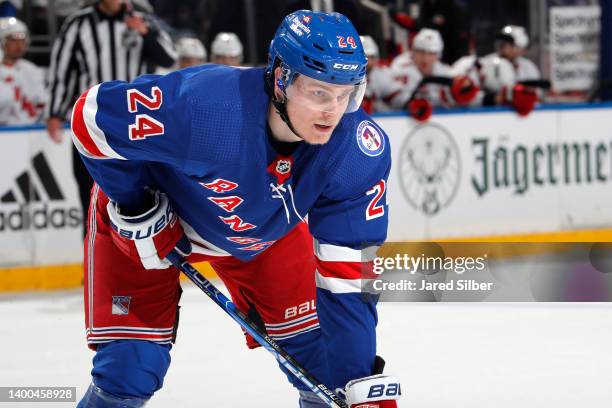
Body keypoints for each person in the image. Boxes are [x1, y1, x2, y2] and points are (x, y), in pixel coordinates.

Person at [71, 9, 401, 408]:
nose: (333, 111)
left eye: (347, 93)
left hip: (264, 233)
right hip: (147, 226)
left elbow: (348, 277)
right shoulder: (204, 108)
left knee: (328, 374)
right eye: (319, 92)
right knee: (129, 370)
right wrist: (136, 204)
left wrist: (358, 384)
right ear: (281, 79)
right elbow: (91, 117)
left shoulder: (356, 151)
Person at [45, 0, 177, 237]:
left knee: (145, 197)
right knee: (90, 197)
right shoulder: (78, 24)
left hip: (135, 124)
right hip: (91, 121)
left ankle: (143, 262)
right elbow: (62, 70)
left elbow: (169, 58)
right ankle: (94, 266)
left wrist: (145, 33)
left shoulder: (144, 19)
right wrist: (55, 112)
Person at [390, 28, 478, 120]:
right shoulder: (400, 67)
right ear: (413, 51)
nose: (425, 58)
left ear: (438, 55)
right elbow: (395, 102)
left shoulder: (444, 71)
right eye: (421, 51)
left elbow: (465, 100)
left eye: (431, 53)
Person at [451, 25, 539, 116]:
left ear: (521, 48)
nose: (502, 45)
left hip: (515, 120)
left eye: (508, 42)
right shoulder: (484, 63)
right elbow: (465, 96)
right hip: (485, 116)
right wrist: (493, 99)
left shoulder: (529, 68)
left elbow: (537, 97)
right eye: (501, 41)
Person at [0, 17, 47, 125]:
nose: (19, 45)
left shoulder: (31, 70)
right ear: (2, 42)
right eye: (13, 40)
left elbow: (42, 101)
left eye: (22, 40)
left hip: (30, 129)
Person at [360, 35, 401, 114]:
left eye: (371, 57)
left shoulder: (383, 73)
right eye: (364, 57)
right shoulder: (342, 74)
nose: (368, 62)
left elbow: (397, 101)